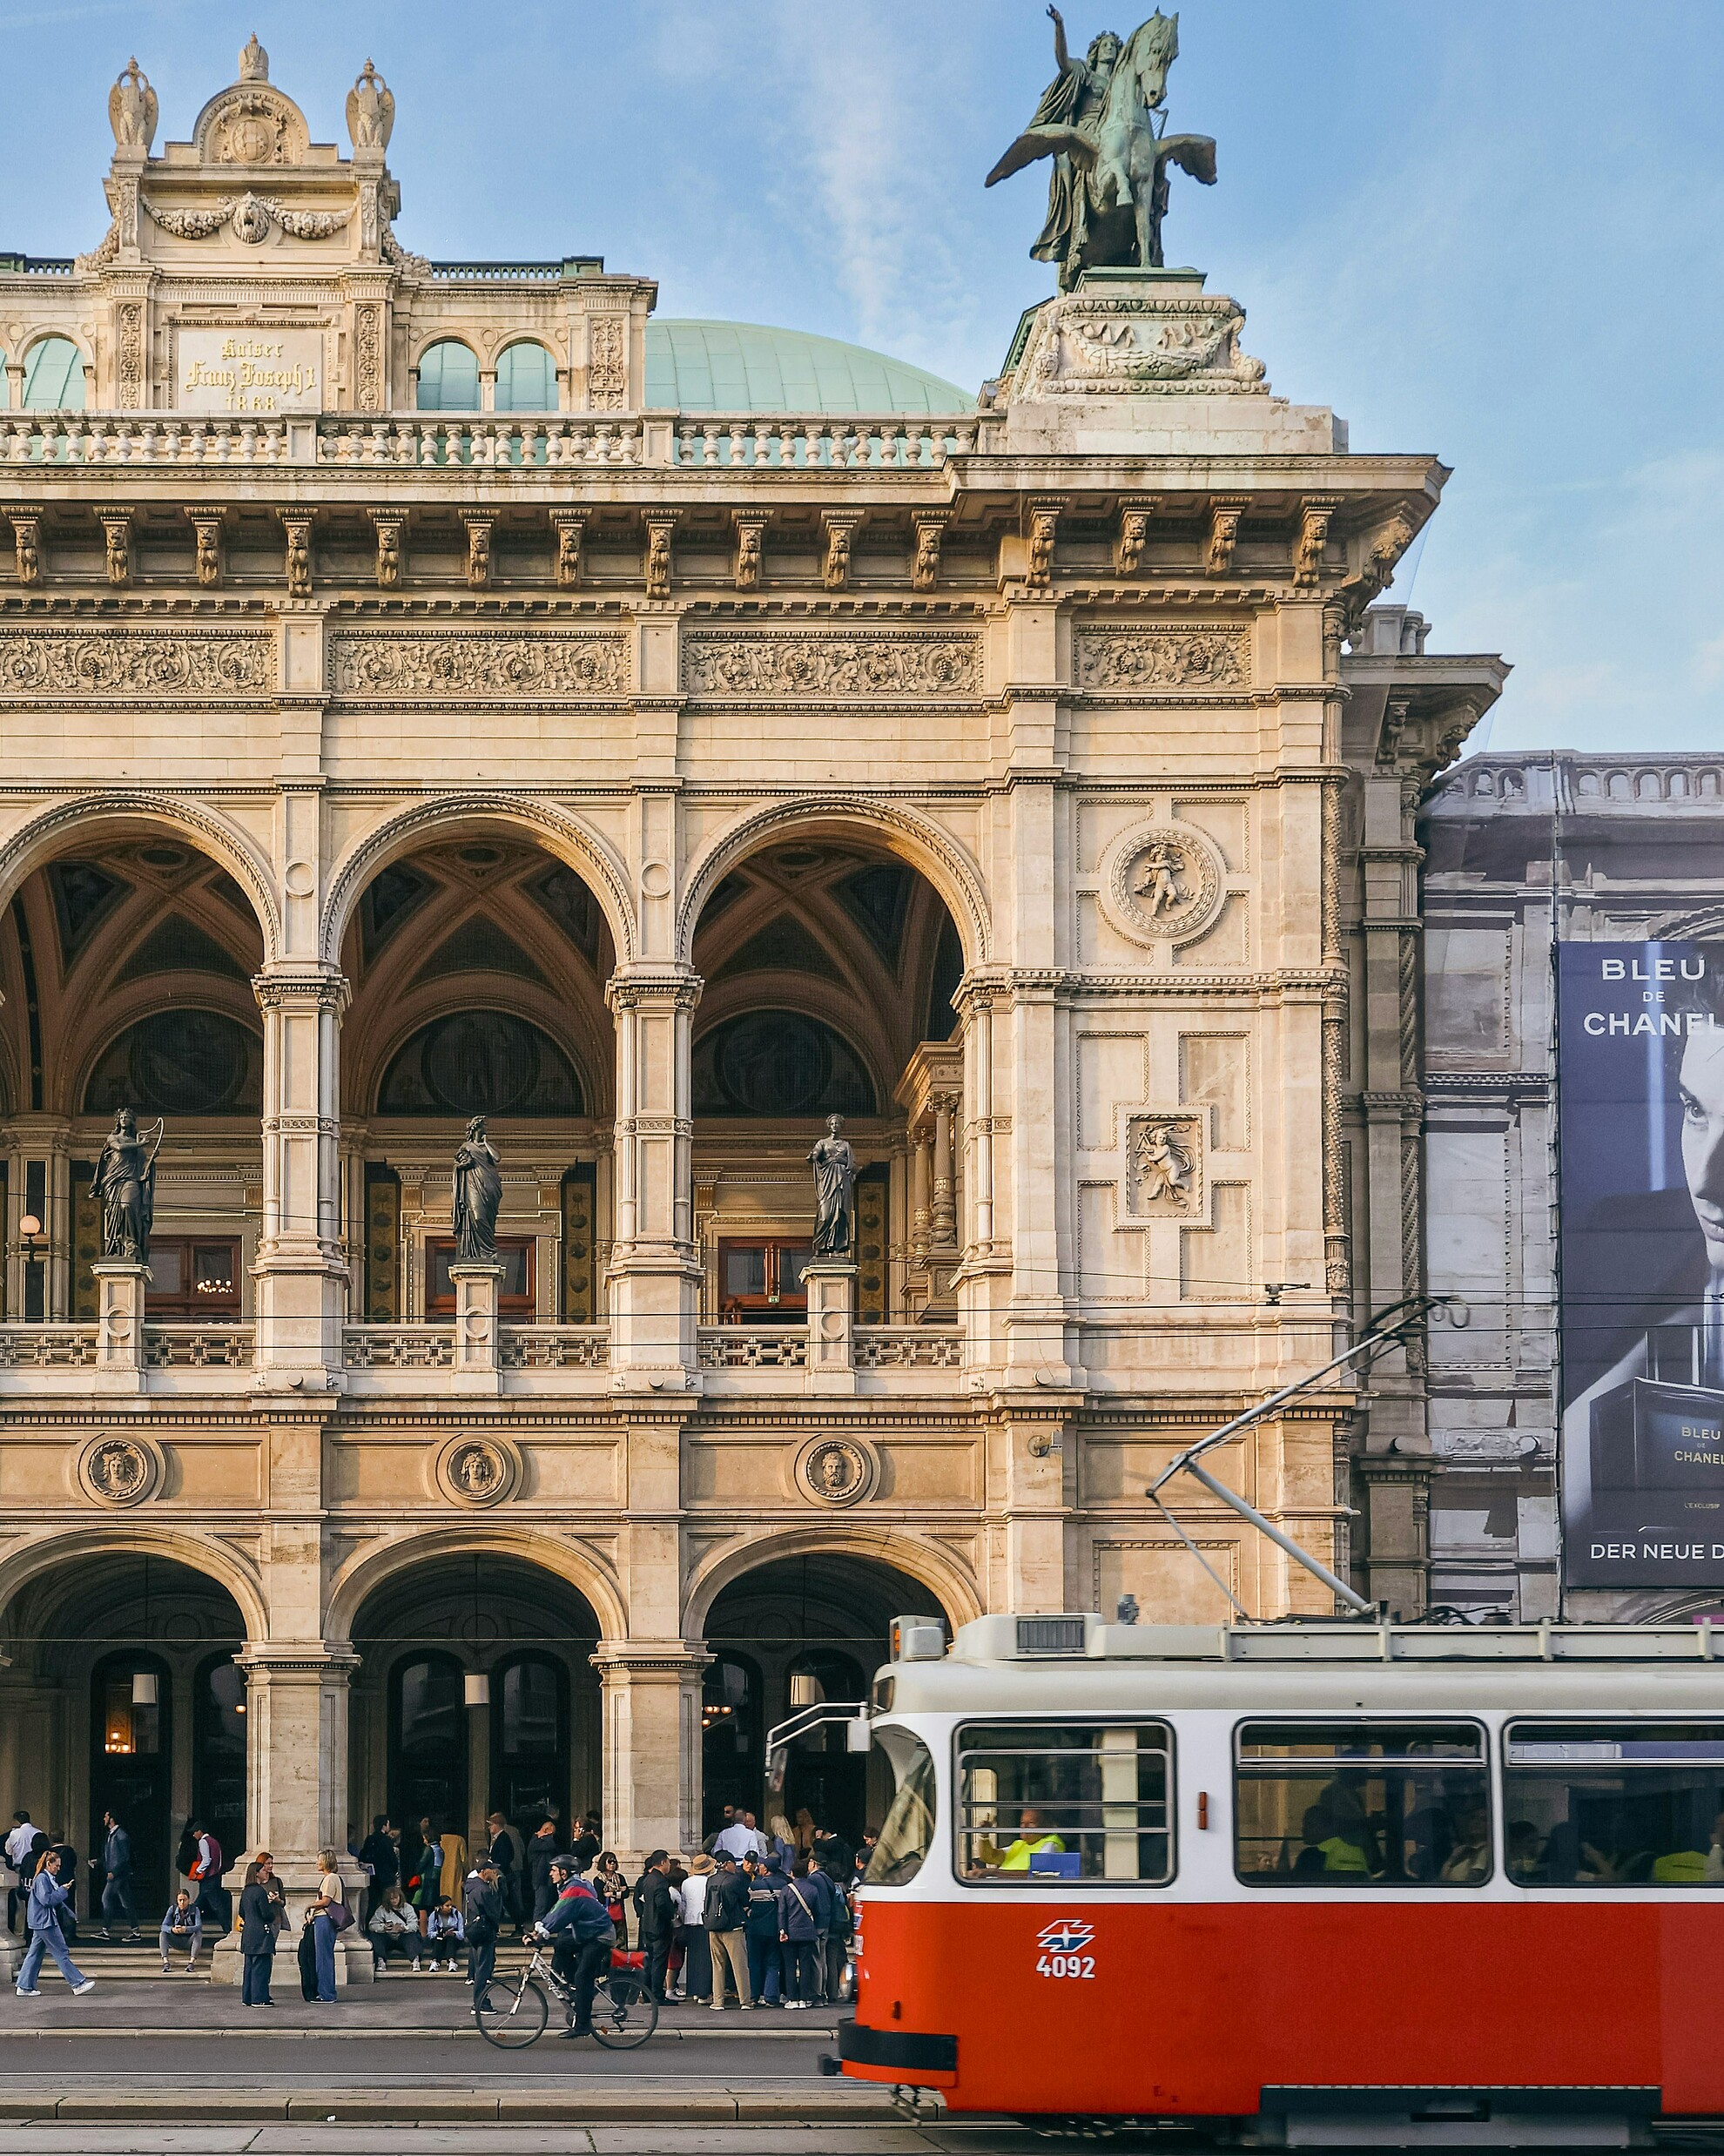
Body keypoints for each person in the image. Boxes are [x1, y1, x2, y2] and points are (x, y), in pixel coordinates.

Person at [531, 1856, 615, 2039]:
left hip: (600, 1935)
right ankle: (577, 1989)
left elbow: (562, 1914)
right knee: (561, 1945)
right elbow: (557, 1909)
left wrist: (543, 1931)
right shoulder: (569, 1886)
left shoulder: (575, 1888)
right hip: (587, 1932)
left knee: (583, 1976)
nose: (550, 1873)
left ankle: (583, 2025)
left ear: (564, 1872)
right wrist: (539, 1929)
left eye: (554, 1870)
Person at [16, 1850, 96, 1997]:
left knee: (35, 1954)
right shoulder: (43, 1878)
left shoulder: (44, 1878)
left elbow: (49, 1899)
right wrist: (62, 1891)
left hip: (41, 1921)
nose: (58, 1868)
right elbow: (47, 1900)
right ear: (48, 1864)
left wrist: (63, 1895)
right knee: (60, 1952)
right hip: (45, 1921)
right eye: (57, 1866)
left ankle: (24, 1986)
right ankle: (77, 1983)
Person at [777, 1855, 833, 2011]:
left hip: (790, 1932)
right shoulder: (813, 1889)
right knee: (805, 1966)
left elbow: (782, 1912)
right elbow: (818, 1910)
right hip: (808, 1932)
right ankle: (804, 1998)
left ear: (792, 1873)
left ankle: (792, 1998)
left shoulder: (787, 1890)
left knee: (790, 1967)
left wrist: (782, 1930)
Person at [704, 1851, 751, 2011]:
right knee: (740, 1966)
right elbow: (745, 1900)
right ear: (727, 1864)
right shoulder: (735, 1880)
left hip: (713, 1926)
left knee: (718, 1965)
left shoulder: (710, 1880)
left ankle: (718, 2001)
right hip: (733, 1927)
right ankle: (745, 2000)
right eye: (733, 1863)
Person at [743, 1849, 786, 2007]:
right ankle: (771, 1996)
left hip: (755, 1929)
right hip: (774, 1928)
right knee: (773, 1963)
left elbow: (747, 1905)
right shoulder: (783, 1885)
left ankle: (754, 1995)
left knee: (754, 1963)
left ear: (766, 1869)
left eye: (761, 1865)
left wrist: (750, 1913)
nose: (759, 1867)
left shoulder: (755, 1885)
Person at [239, 1853, 283, 2005]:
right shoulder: (259, 1891)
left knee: (249, 1967)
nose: (266, 1872)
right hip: (261, 1932)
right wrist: (271, 1915)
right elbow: (266, 1913)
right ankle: (259, 1998)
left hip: (248, 1932)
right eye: (263, 1870)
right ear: (257, 1873)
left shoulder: (246, 1891)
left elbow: (241, 1912)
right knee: (261, 1967)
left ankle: (247, 1997)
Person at [633, 1849, 675, 2004]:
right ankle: (657, 1994)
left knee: (649, 1961)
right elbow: (662, 1903)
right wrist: (671, 1912)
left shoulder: (648, 1879)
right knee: (659, 1961)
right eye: (668, 1862)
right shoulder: (661, 1881)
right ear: (663, 1862)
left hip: (648, 1924)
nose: (669, 1865)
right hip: (659, 1926)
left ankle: (647, 1993)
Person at [677, 1853, 714, 2005]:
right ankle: (704, 1992)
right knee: (705, 1959)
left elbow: (683, 1903)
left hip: (689, 1920)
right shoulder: (709, 1881)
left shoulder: (686, 1882)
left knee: (693, 1957)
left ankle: (694, 1990)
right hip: (704, 1921)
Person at [464, 1862, 503, 1999]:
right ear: (483, 1871)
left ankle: (479, 2000)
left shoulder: (471, 1887)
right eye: (492, 1870)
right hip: (484, 1930)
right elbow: (493, 1912)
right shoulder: (484, 1890)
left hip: (474, 1929)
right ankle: (480, 2001)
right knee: (483, 1968)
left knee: (479, 1966)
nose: (495, 1872)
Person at [98, 1809, 139, 1941]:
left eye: (106, 1816)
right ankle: (135, 1931)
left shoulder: (121, 1835)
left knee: (106, 1898)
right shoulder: (111, 1835)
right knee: (126, 1902)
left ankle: (105, 1930)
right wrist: (98, 1861)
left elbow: (124, 1857)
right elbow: (110, 1855)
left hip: (118, 1875)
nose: (104, 1819)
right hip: (118, 1874)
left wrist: (114, 1872)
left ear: (111, 1819)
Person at [367, 1883, 421, 1973]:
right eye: (392, 1899)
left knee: (411, 1936)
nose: (394, 1901)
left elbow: (414, 1925)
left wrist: (404, 1928)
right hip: (388, 1937)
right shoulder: (382, 1909)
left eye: (396, 1898)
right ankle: (381, 1961)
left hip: (403, 1936)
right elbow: (372, 1925)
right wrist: (384, 1927)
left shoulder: (408, 1908)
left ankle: (415, 1961)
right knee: (375, 1936)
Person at [358, 1816, 399, 1920]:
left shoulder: (370, 1839)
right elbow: (392, 1859)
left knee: (373, 1903)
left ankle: (369, 1925)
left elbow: (363, 1856)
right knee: (387, 1903)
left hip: (373, 1876)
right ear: (384, 1826)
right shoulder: (386, 1840)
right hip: (386, 1877)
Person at [188, 1820, 226, 1932]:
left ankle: (227, 1928)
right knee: (212, 1904)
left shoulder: (203, 1842)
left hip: (208, 1878)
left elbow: (206, 1860)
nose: (193, 1834)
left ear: (200, 1831)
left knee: (211, 1905)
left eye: (195, 1832)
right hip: (214, 1876)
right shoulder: (214, 1842)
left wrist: (197, 1872)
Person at [527, 1816, 564, 1924]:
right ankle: (537, 1928)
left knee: (547, 1904)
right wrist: (546, 1835)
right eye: (551, 1834)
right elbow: (550, 1845)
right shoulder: (535, 1841)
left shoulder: (542, 1840)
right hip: (540, 1878)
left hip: (547, 1877)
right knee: (541, 1905)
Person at [159, 1886, 204, 1974]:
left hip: (189, 1940)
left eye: (184, 1900)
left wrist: (186, 1929)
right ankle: (166, 1962)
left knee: (198, 1934)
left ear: (189, 1900)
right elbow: (163, 1926)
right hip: (176, 1939)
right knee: (163, 1934)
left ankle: (192, 1962)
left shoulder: (195, 1909)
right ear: (177, 1901)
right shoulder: (172, 1909)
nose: (182, 1902)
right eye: (180, 1900)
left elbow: (199, 1926)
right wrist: (172, 1929)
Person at [6, 1811, 36, 1934]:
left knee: (20, 1900)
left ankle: (20, 1930)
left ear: (17, 1821)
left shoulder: (15, 1833)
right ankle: (33, 1929)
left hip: (20, 1867)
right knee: (35, 1898)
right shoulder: (37, 1832)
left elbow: (8, 1850)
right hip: (35, 1867)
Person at [594, 1852, 630, 1948]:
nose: (612, 1864)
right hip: (605, 1913)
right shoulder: (598, 1879)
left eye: (614, 1861)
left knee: (621, 1937)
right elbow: (601, 1897)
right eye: (610, 1862)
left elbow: (626, 1893)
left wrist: (611, 1894)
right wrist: (619, 1892)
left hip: (619, 1911)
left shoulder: (620, 1878)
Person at [425, 1897, 464, 1970]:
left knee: (451, 1939)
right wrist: (439, 1933)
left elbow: (462, 1934)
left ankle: (451, 1961)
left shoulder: (457, 1914)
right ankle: (435, 1961)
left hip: (453, 1939)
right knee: (438, 1940)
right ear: (440, 1906)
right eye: (447, 1906)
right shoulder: (434, 1915)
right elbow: (430, 1934)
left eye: (451, 1905)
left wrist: (454, 1933)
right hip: (439, 1939)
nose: (450, 1907)